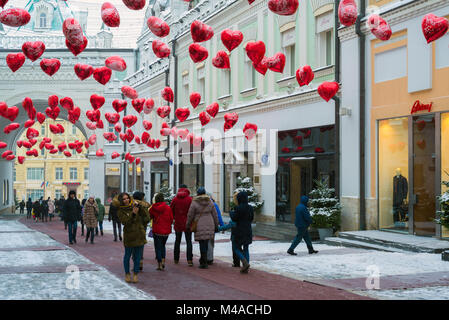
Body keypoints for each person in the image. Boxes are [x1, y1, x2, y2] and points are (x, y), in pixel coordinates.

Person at [115, 192, 150, 284]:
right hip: (129, 236)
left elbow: (146, 219)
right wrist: (133, 214)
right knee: (127, 256)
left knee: (138, 257)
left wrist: (141, 208)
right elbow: (125, 222)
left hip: (139, 235)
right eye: (124, 199)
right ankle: (127, 273)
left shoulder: (135, 206)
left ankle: (135, 274)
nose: (126, 200)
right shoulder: (120, 211)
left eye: (127, 198)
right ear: (121, 201)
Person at [185, 187, 219, 269]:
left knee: (201, 243)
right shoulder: (210, 201)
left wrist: (188, 224)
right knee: (206, 242)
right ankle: (204, 260)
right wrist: (216, 225)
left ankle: (203, 262)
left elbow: (190, 215)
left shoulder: (194, 202)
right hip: (209, 223)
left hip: (199, 223)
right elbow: (215, 214)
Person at [230, 191, 254, 274]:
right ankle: (246, 266)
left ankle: (244, 262)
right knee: (246, 248)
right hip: (248, 230)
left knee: (236, 248)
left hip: (239, 230)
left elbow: (234, 218)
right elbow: (251, 218)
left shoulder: (238, 208)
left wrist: (231, 213)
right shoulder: (250, 207)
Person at [170, 184, 193, 266]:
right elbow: (192, 211)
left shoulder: (175, 199)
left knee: (177, 241)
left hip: (178, 223)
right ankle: (189, 260)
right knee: (189, 241)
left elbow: (171, 210)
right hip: (188, 223)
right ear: (187, 189)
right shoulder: (190, 199)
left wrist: (174, 218)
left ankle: (176, 259)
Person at [149, 193, 174, 271]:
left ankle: (159, 263)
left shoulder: (153, 208)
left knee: (157, 247)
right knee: (163, 246)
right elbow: (171, 219)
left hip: (157, 230)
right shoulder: (168, 208)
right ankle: (163, 261)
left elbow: (150, 217)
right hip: (166, 231)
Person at [207, 193, 224, 265]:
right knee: (210, 242)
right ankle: (210, 258)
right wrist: (222, 226)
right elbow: (218, 216)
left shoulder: (198, 204)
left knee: (203, 242)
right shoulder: (214, 205)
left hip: (201, 226)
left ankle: (204, 257)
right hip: (211, 226)